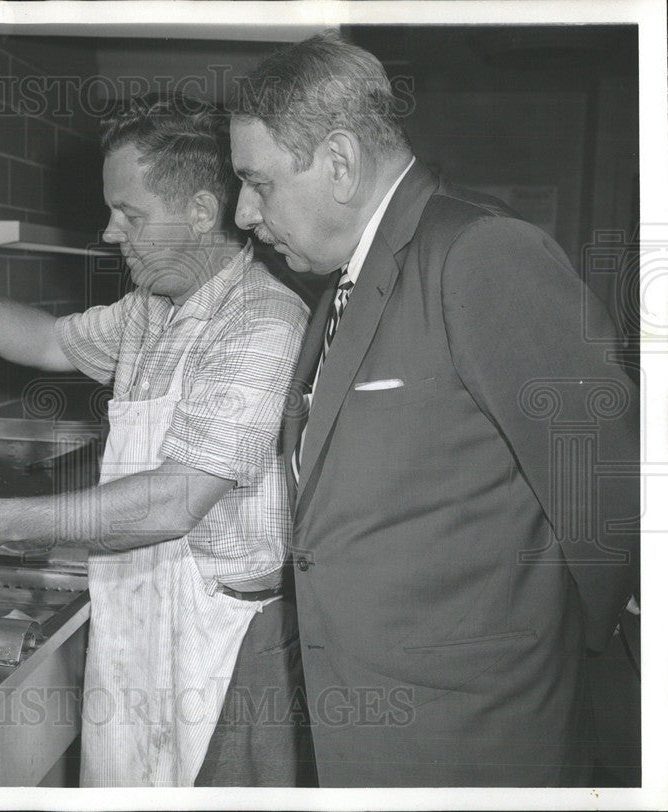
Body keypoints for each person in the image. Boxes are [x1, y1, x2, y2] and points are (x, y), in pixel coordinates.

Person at [229, 31, 639, 787]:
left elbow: (612, 501)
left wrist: (541, 661)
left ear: (341, 163)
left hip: (472, 739)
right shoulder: (343, 287)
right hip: (361, 727)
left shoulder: (482, 256)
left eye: (258, 183)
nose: (244, 213)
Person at [0, 94, 312, 787]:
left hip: (216, 647)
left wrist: (9, 522)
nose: (111, 234)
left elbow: (174, 501)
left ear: (200, 213)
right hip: (133, 610)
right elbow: (45, 341)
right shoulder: (149, 309)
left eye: (129, 215)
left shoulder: (262, 323)